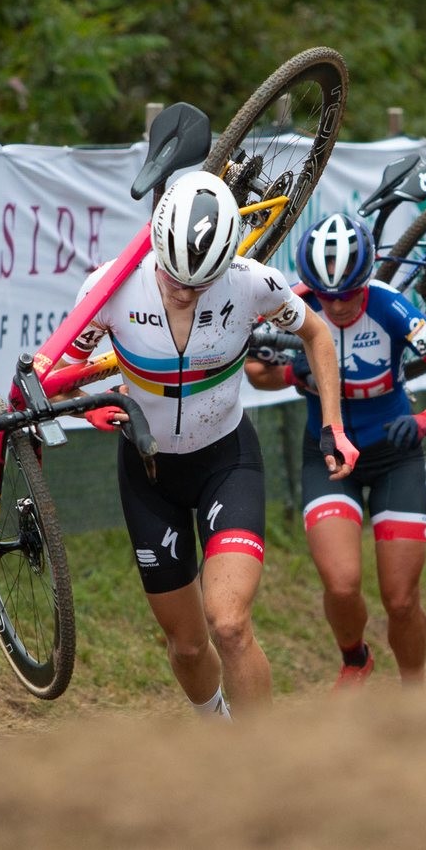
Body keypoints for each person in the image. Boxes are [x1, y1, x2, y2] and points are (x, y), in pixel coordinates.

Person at [61, 171, 356, 719]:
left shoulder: (251, 282)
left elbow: (316, 333)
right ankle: (217, 731)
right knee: (189, 646)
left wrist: (334, 425)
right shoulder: (109, 287)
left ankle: (260, 765)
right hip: (149, 473)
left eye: (199, 284)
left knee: (229, 624)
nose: (182, 291)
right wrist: (92, 401)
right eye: (173, 277)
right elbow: (63, 372)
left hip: (227, 461)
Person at [245, 213, 426, 688]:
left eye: (348, 294)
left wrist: (425, 420)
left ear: (366, 280)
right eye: (326, 295)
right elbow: (256, 370)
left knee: (400, 599)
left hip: (396, 455)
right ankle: (355, 659)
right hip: (330, 458)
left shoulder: (390, 307)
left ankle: (415, 689)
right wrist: (294, 374)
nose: (335, 306)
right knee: (341, 582)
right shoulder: (295, 303)